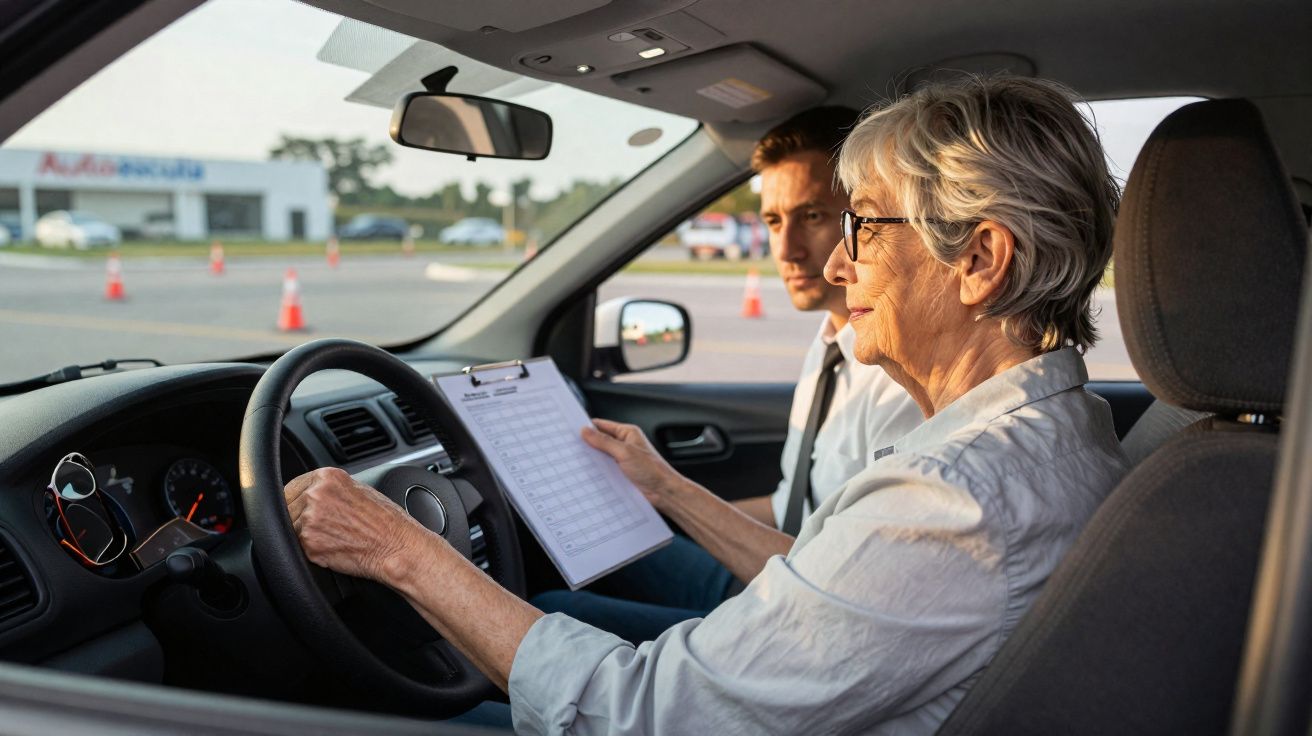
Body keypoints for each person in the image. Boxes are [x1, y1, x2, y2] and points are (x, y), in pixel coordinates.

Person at [284, 75, 1130, 734]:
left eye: (863, 228)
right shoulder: (1060, 432)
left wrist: (399, 551)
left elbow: (648, 715)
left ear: (979, 260)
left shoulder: (955, 500)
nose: (837, 267)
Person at [529, 107, 924, 643]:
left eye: (811, 216)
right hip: (770, 569)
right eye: (773, 222)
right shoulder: (832, 339)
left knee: (553, 609)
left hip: (796, 610)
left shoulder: (901, 377)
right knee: (604, 549)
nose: (784, 251)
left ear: (861, 219)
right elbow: (794, 502)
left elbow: (832, 586)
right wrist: (660, 505)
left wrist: (670, 492)